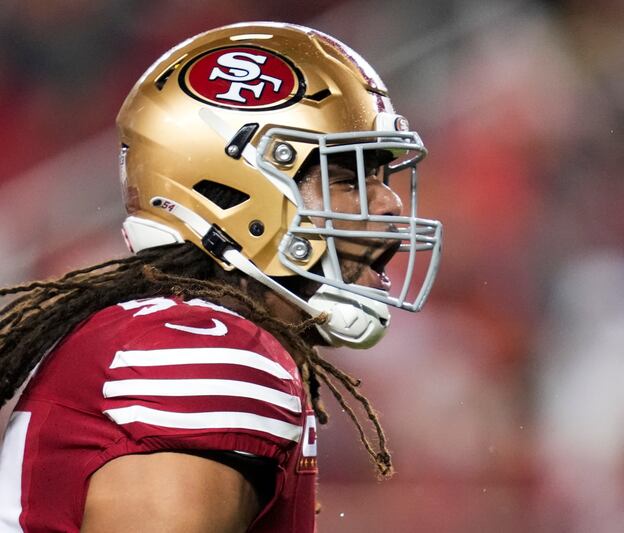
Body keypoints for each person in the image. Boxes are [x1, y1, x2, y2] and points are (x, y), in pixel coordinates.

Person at [0, 22, 442, 532]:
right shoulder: (205, 350)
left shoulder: (166, 332)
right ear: (231, 193)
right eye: (347, 179)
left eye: (381, 179)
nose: (388, 203)